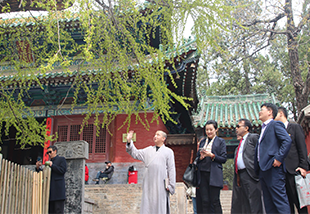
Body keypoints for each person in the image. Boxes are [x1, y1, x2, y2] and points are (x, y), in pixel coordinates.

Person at [126, 130, 176, 214]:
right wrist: (129, 141)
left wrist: (171, 185)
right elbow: (135, 153)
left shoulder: (168, 152)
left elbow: (171, 169)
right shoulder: (148, 150)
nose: (155, 136)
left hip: (161, 183)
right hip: (148, 182)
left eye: (158, 135)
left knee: (160, 205)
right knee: (147, 204)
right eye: (155, 134)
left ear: (163, 138)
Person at [254, 103, 292, 214]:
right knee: (269, 204)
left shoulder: (275, 125)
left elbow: (287, 140)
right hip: (263, 170)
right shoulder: (263, 129)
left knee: (279, 201)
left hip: (273, 169)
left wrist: (279, 158)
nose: (260, 112)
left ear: (270, 112)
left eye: (262, 110)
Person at [275, 106, 309, 214]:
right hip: (282, 173)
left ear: (280, 114)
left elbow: (302, 148)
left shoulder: (294, 127)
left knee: (300, 203)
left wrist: (303, 167)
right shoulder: (276, 132)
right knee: (287, 205)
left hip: (294, 171)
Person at [231, 119, 263, 214]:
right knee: (243, 202)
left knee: (253, 201)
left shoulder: (253, 138)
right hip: (240, 175)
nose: (236, 128)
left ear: (246, 128)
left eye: (238, 126)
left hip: (251, 173)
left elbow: (260, 153)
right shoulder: (239, 145)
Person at [196, 120, 227, 214]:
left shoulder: (220, 142)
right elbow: (197, 158)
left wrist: (212, 155)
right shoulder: (202, 142)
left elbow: (223, 158)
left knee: (215, 200)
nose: (209, 132)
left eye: (211, 129)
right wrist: (201, 157)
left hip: (214, 174)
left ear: (216, 129)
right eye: (207, 130)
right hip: (202, 173)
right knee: (204, 201)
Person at [36, 145, 67, 214]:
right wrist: (38, 168)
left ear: (55, 151)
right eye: (48, 153)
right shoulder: (49, 162)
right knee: (50, 211)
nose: (49, 154)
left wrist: (52, 165)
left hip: (58, 191)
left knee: (58, 211)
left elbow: (62, 170)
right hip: (50, 191)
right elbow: (44, 174)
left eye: (50, 152)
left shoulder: (61, 159)